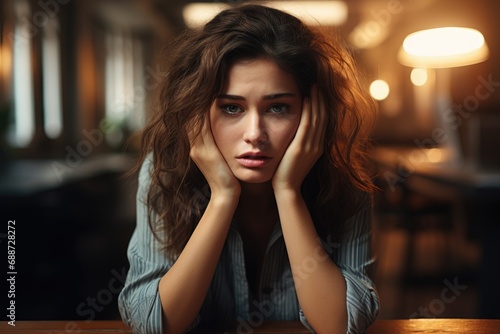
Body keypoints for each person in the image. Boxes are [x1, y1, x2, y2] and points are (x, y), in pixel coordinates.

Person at [118, 4, 379, 334]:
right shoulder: (166, 171)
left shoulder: (344, 178)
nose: (254, 133)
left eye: (278, 107)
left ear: (315, 113)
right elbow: (153, 324)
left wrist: (288, 193)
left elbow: (340, 326)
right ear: (196, 111)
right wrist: (223, 197)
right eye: (231, 108)